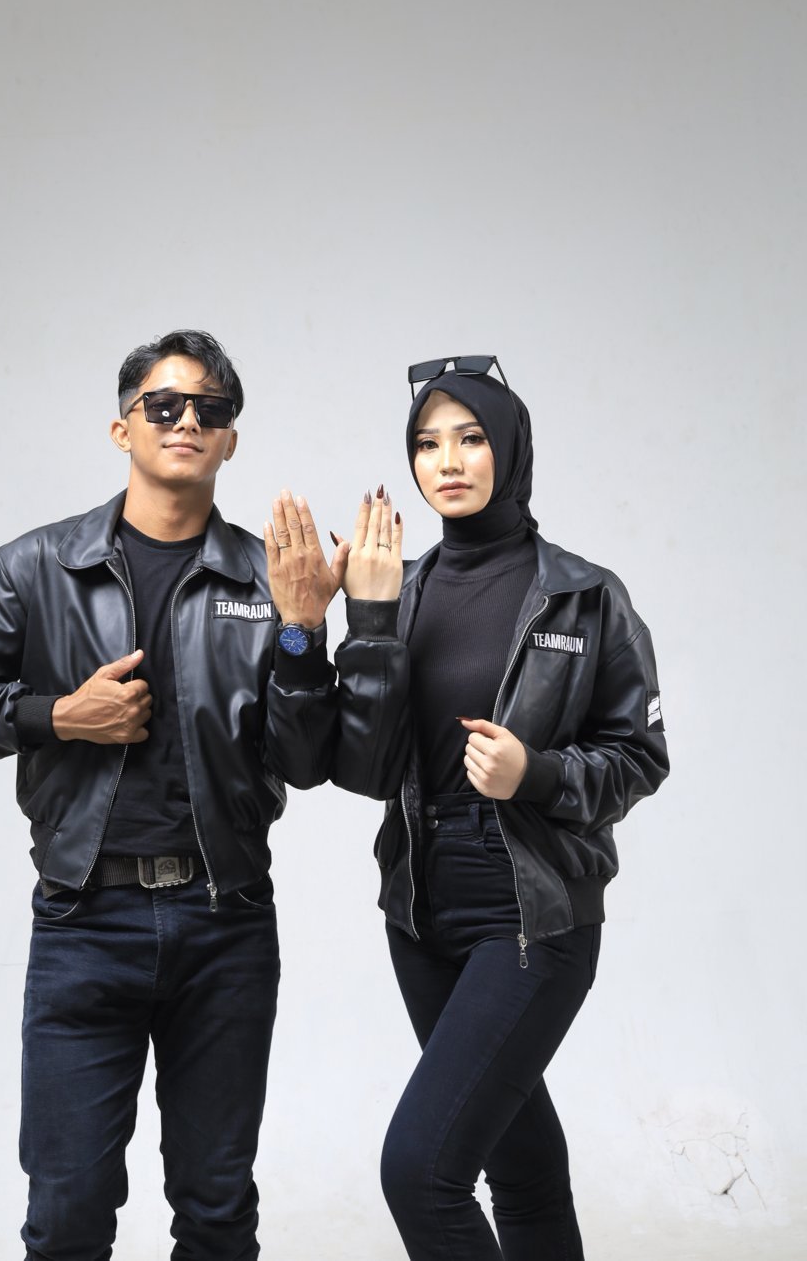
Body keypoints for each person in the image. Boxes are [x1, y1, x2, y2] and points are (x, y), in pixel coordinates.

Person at [0, 330, 347, 1261]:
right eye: (164, 404)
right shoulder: (34, 566)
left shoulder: (268, 578)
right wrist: (58, 715)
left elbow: (306, 759)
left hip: (226, 922)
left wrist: (304, 631)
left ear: (231, 439)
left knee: (217, 1210)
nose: (187, 420)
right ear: (123, 428)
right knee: (67, 1213)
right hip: (84, 921)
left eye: (210, 409)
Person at [329, 356, 670, 1261]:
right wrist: (366, 624)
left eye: (471, 438)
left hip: (533, 909)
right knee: (520, 1166)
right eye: (427, 443)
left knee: (421, 1171)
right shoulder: (398, 592)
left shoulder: (585, 595)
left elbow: (641, 756)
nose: (447, 461)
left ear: (510, 448)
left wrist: (537, 774)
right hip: (417, 908)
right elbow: (364, 770)